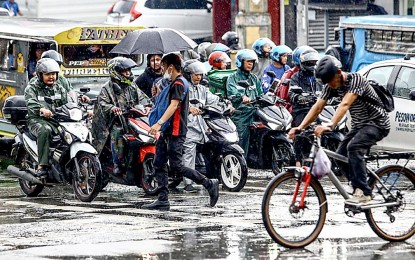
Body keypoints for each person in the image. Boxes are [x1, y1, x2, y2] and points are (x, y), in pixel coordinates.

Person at [288, 55, 390, 204]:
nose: (329, 84)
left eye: (330, 79)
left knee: (354, 147)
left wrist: (330, 125)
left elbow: (345, 104)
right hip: (359, 126)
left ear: (339, 72)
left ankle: (365, 193)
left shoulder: (356, 79)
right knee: (340, 156)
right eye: (326, 81)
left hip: (377, 123)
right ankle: (357, 186)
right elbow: (317, 107)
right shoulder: (331, 85)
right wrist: (300, 127)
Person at [143, 53, 219, 210]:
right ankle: (163, 199)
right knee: (159, 163)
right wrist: (157, 95)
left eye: (163, 67)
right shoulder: (173, 83)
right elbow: (167, 104)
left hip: (175, 132)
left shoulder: (179, 83)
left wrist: (158, 123)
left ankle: (209, 183)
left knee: (177, 166)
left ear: (171, 67)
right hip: (167, 131)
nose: (162, 70)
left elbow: (174, 106)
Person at [91, 57, 151, 175]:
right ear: (116, 72)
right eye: (124, 71)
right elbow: (102, 103)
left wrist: (149, 106)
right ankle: (117, 163)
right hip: (114, 122)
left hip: (132, 118)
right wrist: (113, 108)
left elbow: (144, 99)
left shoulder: (132, 85)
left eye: (129, 70)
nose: (128, 73)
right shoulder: (106, 88)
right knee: (117, 133)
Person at [181, 59, 234, 192]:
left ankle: (214, 175)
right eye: (195, 74)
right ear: (188, 74)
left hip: (203, 126)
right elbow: (179, 103)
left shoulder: (202, 89)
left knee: (213, 147)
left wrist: (226, 103)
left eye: (200, 75)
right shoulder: (184, 88)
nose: (198, 77)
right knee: (189, 151)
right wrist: (190, 108)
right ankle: (188, 182)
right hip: (188, 127)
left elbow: (213, 99)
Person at [24, 58, 71, 177]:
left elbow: (68, 102)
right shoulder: (32, 88)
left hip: (56, 120)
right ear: (40, 75)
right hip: (36, 120)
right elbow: (30, 103)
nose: (51, 77)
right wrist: (41, 109)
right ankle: (42, 165)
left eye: (54, 74)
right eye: (48, 74)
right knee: (45, 130)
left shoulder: (59, 87)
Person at [288, 47, 322, 167]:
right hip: (302, 110)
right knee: (300, 132)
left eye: (314, 62)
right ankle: (298, 160)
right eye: (309, 63)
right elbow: (291, 93)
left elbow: (327, 89)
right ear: (303, 64)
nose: (312, 65)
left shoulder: (318, 76)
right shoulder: (295, 77)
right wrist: (300, 98)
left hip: (318, 109)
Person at [226, 49, 263, 157]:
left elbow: (260, 93)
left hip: (255, 110)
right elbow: (232, 94)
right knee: (241, 138)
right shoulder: (232, 78)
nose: (250, 64)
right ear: (240, 62)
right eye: (248, 61)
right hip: (241, 113)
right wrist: (241, 97)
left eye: (252, 62)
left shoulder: (254, 78)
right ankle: (241, 160)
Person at [275, 45, 310, 112]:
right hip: (295, 107)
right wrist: (298, 97)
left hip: (311, 105)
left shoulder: (313, 73)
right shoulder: (291, 73)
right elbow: (284, 98)